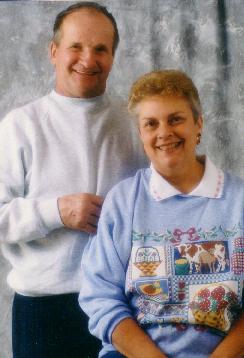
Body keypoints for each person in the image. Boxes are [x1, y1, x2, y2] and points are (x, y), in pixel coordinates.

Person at [0, 2, 146, 358]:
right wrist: (56, 212)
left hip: (125, 308)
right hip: (44, 311)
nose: (88, 59)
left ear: (113, 56)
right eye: (76, 46)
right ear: (54, 51)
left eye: (101, 49)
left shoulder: (137, 123)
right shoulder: (20, 126)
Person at [79, 69, 244, 358]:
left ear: (198, 124)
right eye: (151, 124)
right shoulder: (123, 201)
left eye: (176, 119)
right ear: (141, 134)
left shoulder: (239, 199)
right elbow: (101, 296)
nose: (164, 133)